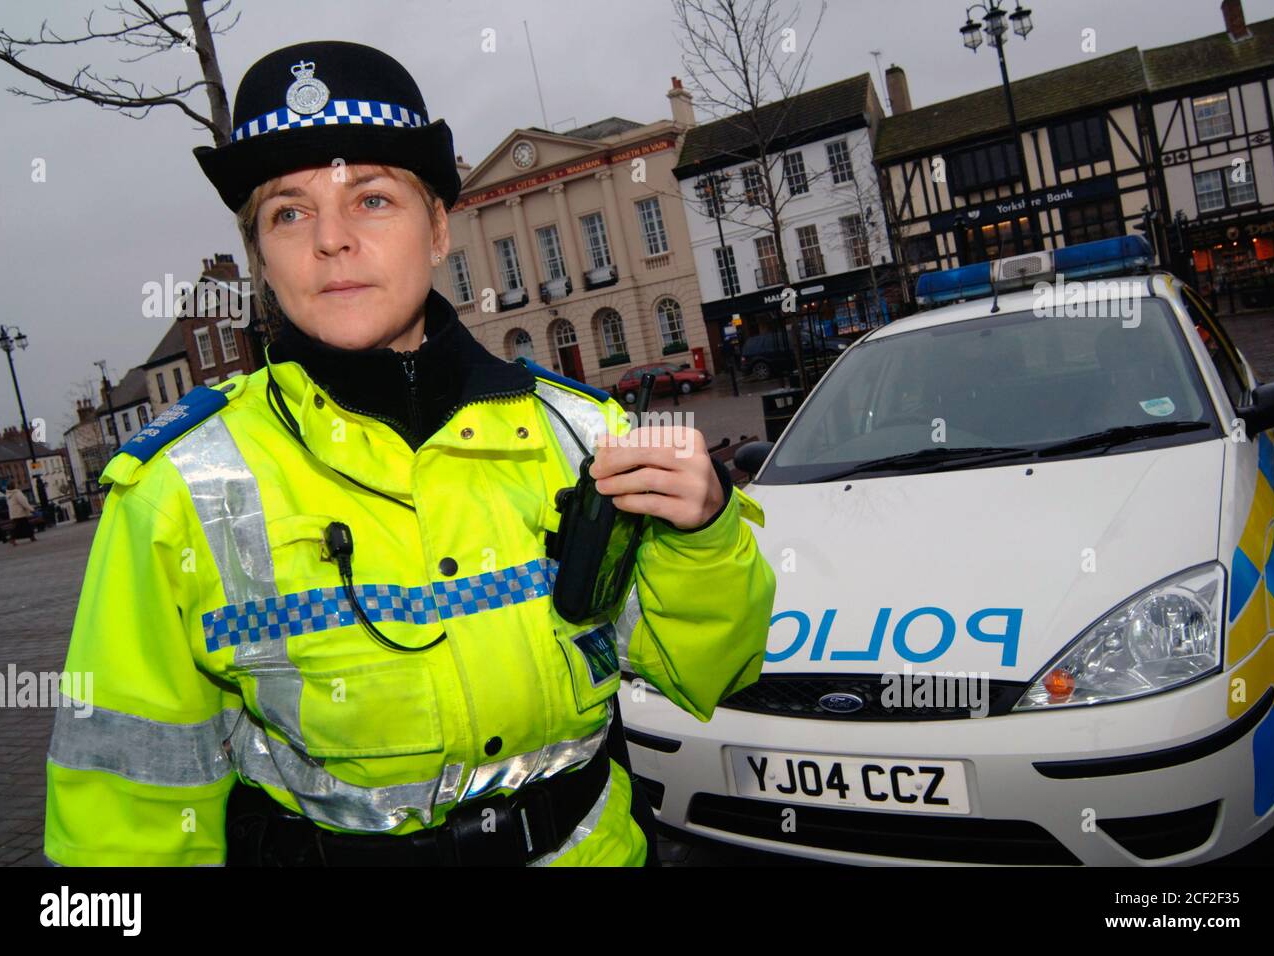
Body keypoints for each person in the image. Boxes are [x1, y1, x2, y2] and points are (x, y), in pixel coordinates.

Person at [44, 40, 777, 867]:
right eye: (288, 211)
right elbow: (126, 813)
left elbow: (706, 674)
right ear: (262, 262)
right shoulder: (174, 488)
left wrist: (705, 534)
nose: (330, 240)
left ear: (436, 229)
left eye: (373, 200)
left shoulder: (586, 434)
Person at [5, 480, 37, 545]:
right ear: (14, 486)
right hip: (20, 512)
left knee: (19, 526)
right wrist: (31, 509)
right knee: (24, 526)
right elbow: (24, 502)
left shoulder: (8, 495)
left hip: (14, 513)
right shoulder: (17, 493)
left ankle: (14, 539)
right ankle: (30, 537)